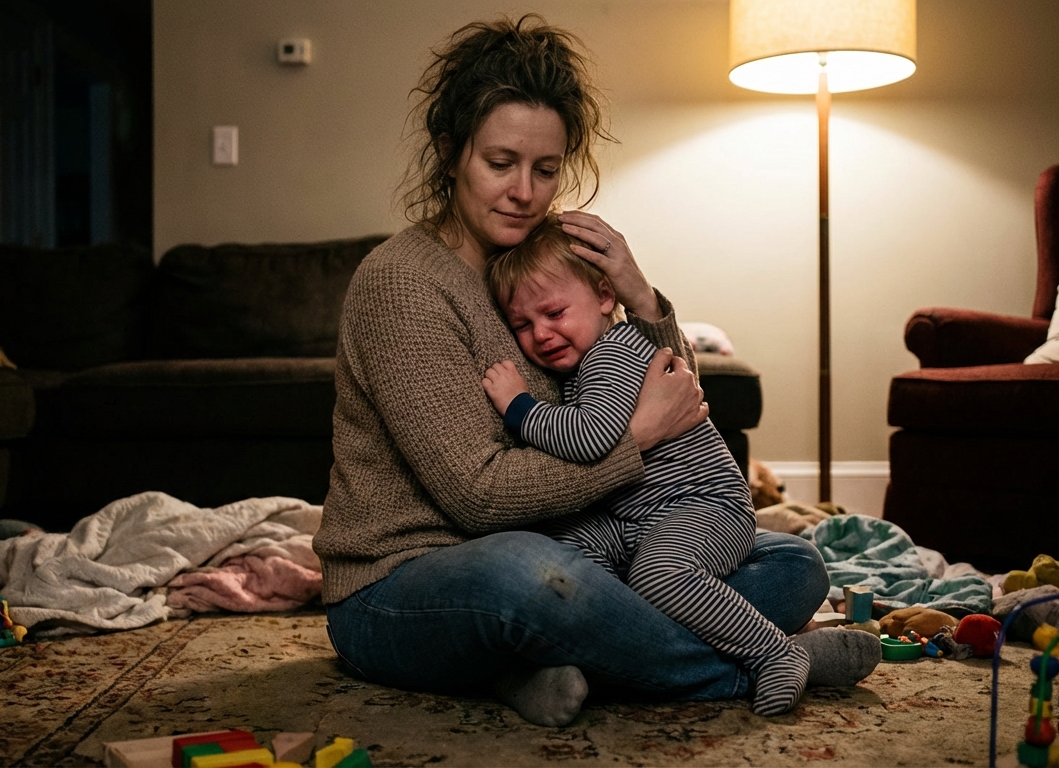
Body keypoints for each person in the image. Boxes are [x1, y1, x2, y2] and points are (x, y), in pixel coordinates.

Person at [312, 14, 880, 728]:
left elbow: (676, 397)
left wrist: (642, 299)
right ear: (451, 153)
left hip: (577, 551)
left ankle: (533, 670)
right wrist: (634, 440)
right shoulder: (402, 283)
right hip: (405, 587)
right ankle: (753, 663)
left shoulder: (533, 269)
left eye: (545, 170)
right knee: (531, 574)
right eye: (500, 163)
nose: (524, 191)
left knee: (792, 564)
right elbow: (478, 500)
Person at [481, 217, 810, 716]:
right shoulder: (584, 361)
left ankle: (773, 653)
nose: (541, 334)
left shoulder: (613, 352)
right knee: (570, 561)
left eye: (554, 312)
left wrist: (518, 405)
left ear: (604, 296)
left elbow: (589, 438)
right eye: (522, 325)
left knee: (660, 577)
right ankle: (603, 660)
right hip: (634, 518)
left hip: (703, 507)